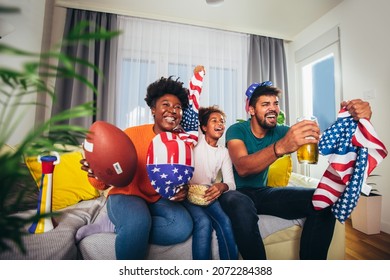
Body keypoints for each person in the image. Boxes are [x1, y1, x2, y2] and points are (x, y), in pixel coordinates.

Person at [219, 81, 373, 260]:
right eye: (265, 104)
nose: (273, 108)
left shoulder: (281, 131)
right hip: (235, 192)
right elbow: (243, 167)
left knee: (323, 199)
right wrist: (280, 147)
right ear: (251, 110)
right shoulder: (237, 130)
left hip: (262, 193)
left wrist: (351, 119)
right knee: (240, 204)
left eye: (275, 103)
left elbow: (322, 141)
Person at [78, 74, 196, 260]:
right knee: (137, 223)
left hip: (157, 198)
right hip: (126, 195)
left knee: (182, 227)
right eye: (165, 104)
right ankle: (129, 224)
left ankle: (119, 226)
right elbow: (102, 183)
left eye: (178, 107)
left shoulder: (182, 143)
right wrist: (97, 170)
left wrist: (182, 190)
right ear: (153, 110)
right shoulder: (131, 135)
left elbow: (180, 180)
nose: (172, 110)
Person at [183, 105, 238, 260]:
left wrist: (222, 186)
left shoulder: (224, 152)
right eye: (214, 120)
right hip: (187, 194)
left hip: (207, 194)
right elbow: (191, 113)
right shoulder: (197, 139)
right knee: (204, 222)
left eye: (222, 121)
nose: (220, 123)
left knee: (225, 222)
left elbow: (231, 184)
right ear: (204, 127)